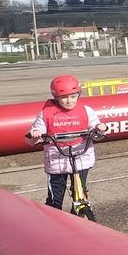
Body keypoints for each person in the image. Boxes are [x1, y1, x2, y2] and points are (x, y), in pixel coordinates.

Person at [26, 75, 108, 210]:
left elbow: (96, 130)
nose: (69, 101)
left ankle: (79, 216)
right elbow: (32, 138)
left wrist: (100, 129)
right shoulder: (46, 114)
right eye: (64, 97)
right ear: (56, 97)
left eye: (73, 96)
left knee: (80, 194)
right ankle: (52, 219)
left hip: (81, 158)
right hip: (57, 160)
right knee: (55, 198)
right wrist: (36, 133)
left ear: (78, 95)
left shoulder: (86, 111)